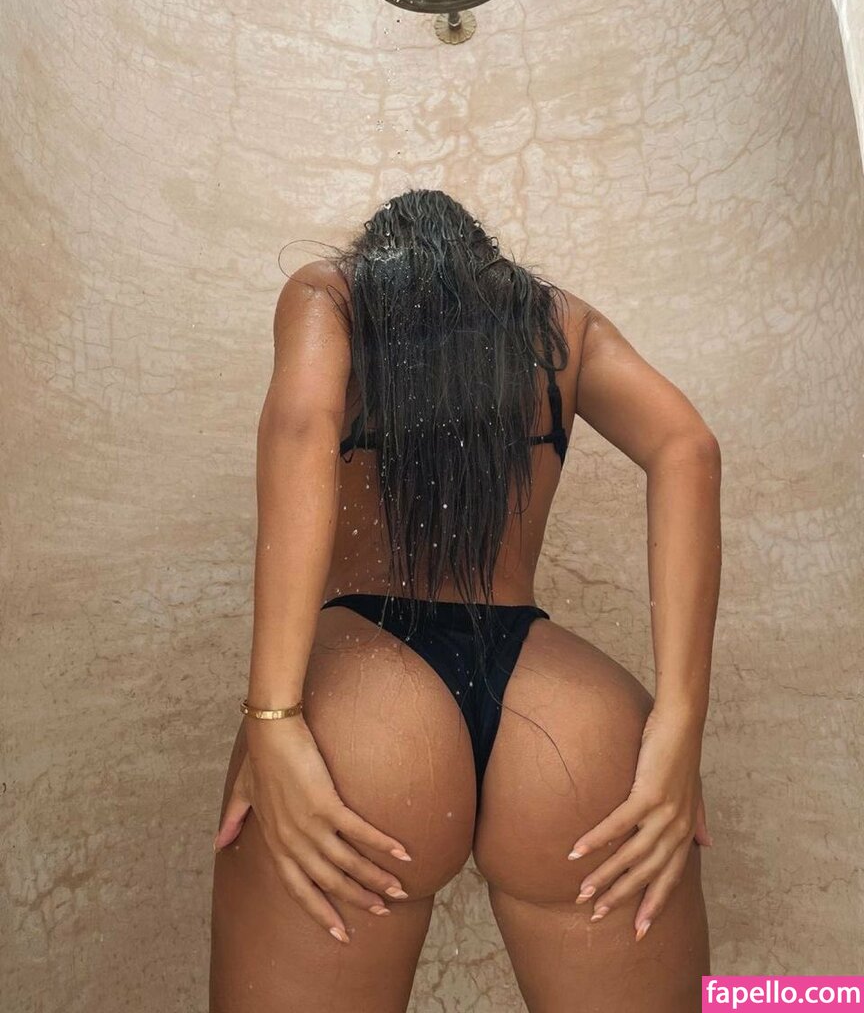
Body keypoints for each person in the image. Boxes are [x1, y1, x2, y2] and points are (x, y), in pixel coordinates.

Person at [208, 188, 720, 1012]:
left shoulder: (331, 294)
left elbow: (303, 428)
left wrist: (274, 716)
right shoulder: (562, 322)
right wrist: (680, 720)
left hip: (362, 713)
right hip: (567, 718)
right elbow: (688, 446)